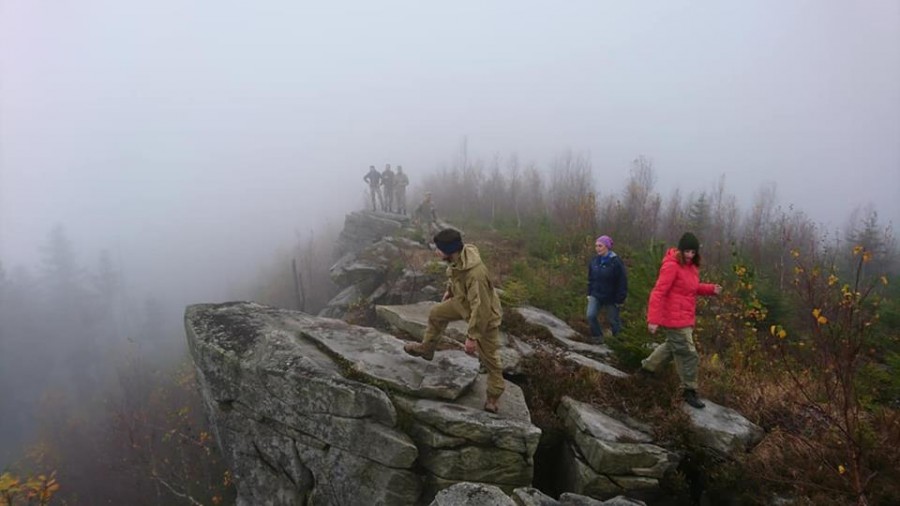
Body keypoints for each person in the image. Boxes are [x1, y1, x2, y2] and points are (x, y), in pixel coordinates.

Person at [403, 228, 505, 413]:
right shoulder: (458, 258)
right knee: (436, 314)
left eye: (439, 249)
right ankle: (427, 349)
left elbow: (481, 308)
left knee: (491, 360)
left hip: (485, 318)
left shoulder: (476, 274)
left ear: (450, 250)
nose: (436, 251)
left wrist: (472, 337)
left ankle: (493, 397)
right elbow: (455, 274)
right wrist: (450, 290)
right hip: (461, 302)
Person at [637, 232, 722, 409]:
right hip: (673, 318)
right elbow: (658, 292)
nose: (690, 255)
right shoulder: (671, 266)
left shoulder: (691, 267)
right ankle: (689, 390)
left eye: (693, 252)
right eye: (687, 251)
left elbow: (691, 288)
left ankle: (645, 371)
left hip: (685, 316)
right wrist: (653, 320)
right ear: (681, 250)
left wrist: (710, 289)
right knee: (689, 354)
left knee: (671, 346)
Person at [586, 235, 627, 344]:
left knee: (614, 321)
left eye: (600, 246)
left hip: (611, 297)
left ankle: (619, 342)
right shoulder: (594, 261)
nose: (597, 248)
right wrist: (589, 293)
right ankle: (598, 337)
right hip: (596, 294)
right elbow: (590, 278)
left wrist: (620, 299)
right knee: (590, 315)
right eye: (596, 246)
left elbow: (622, 281)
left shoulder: (616, 262)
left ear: (607, 247)